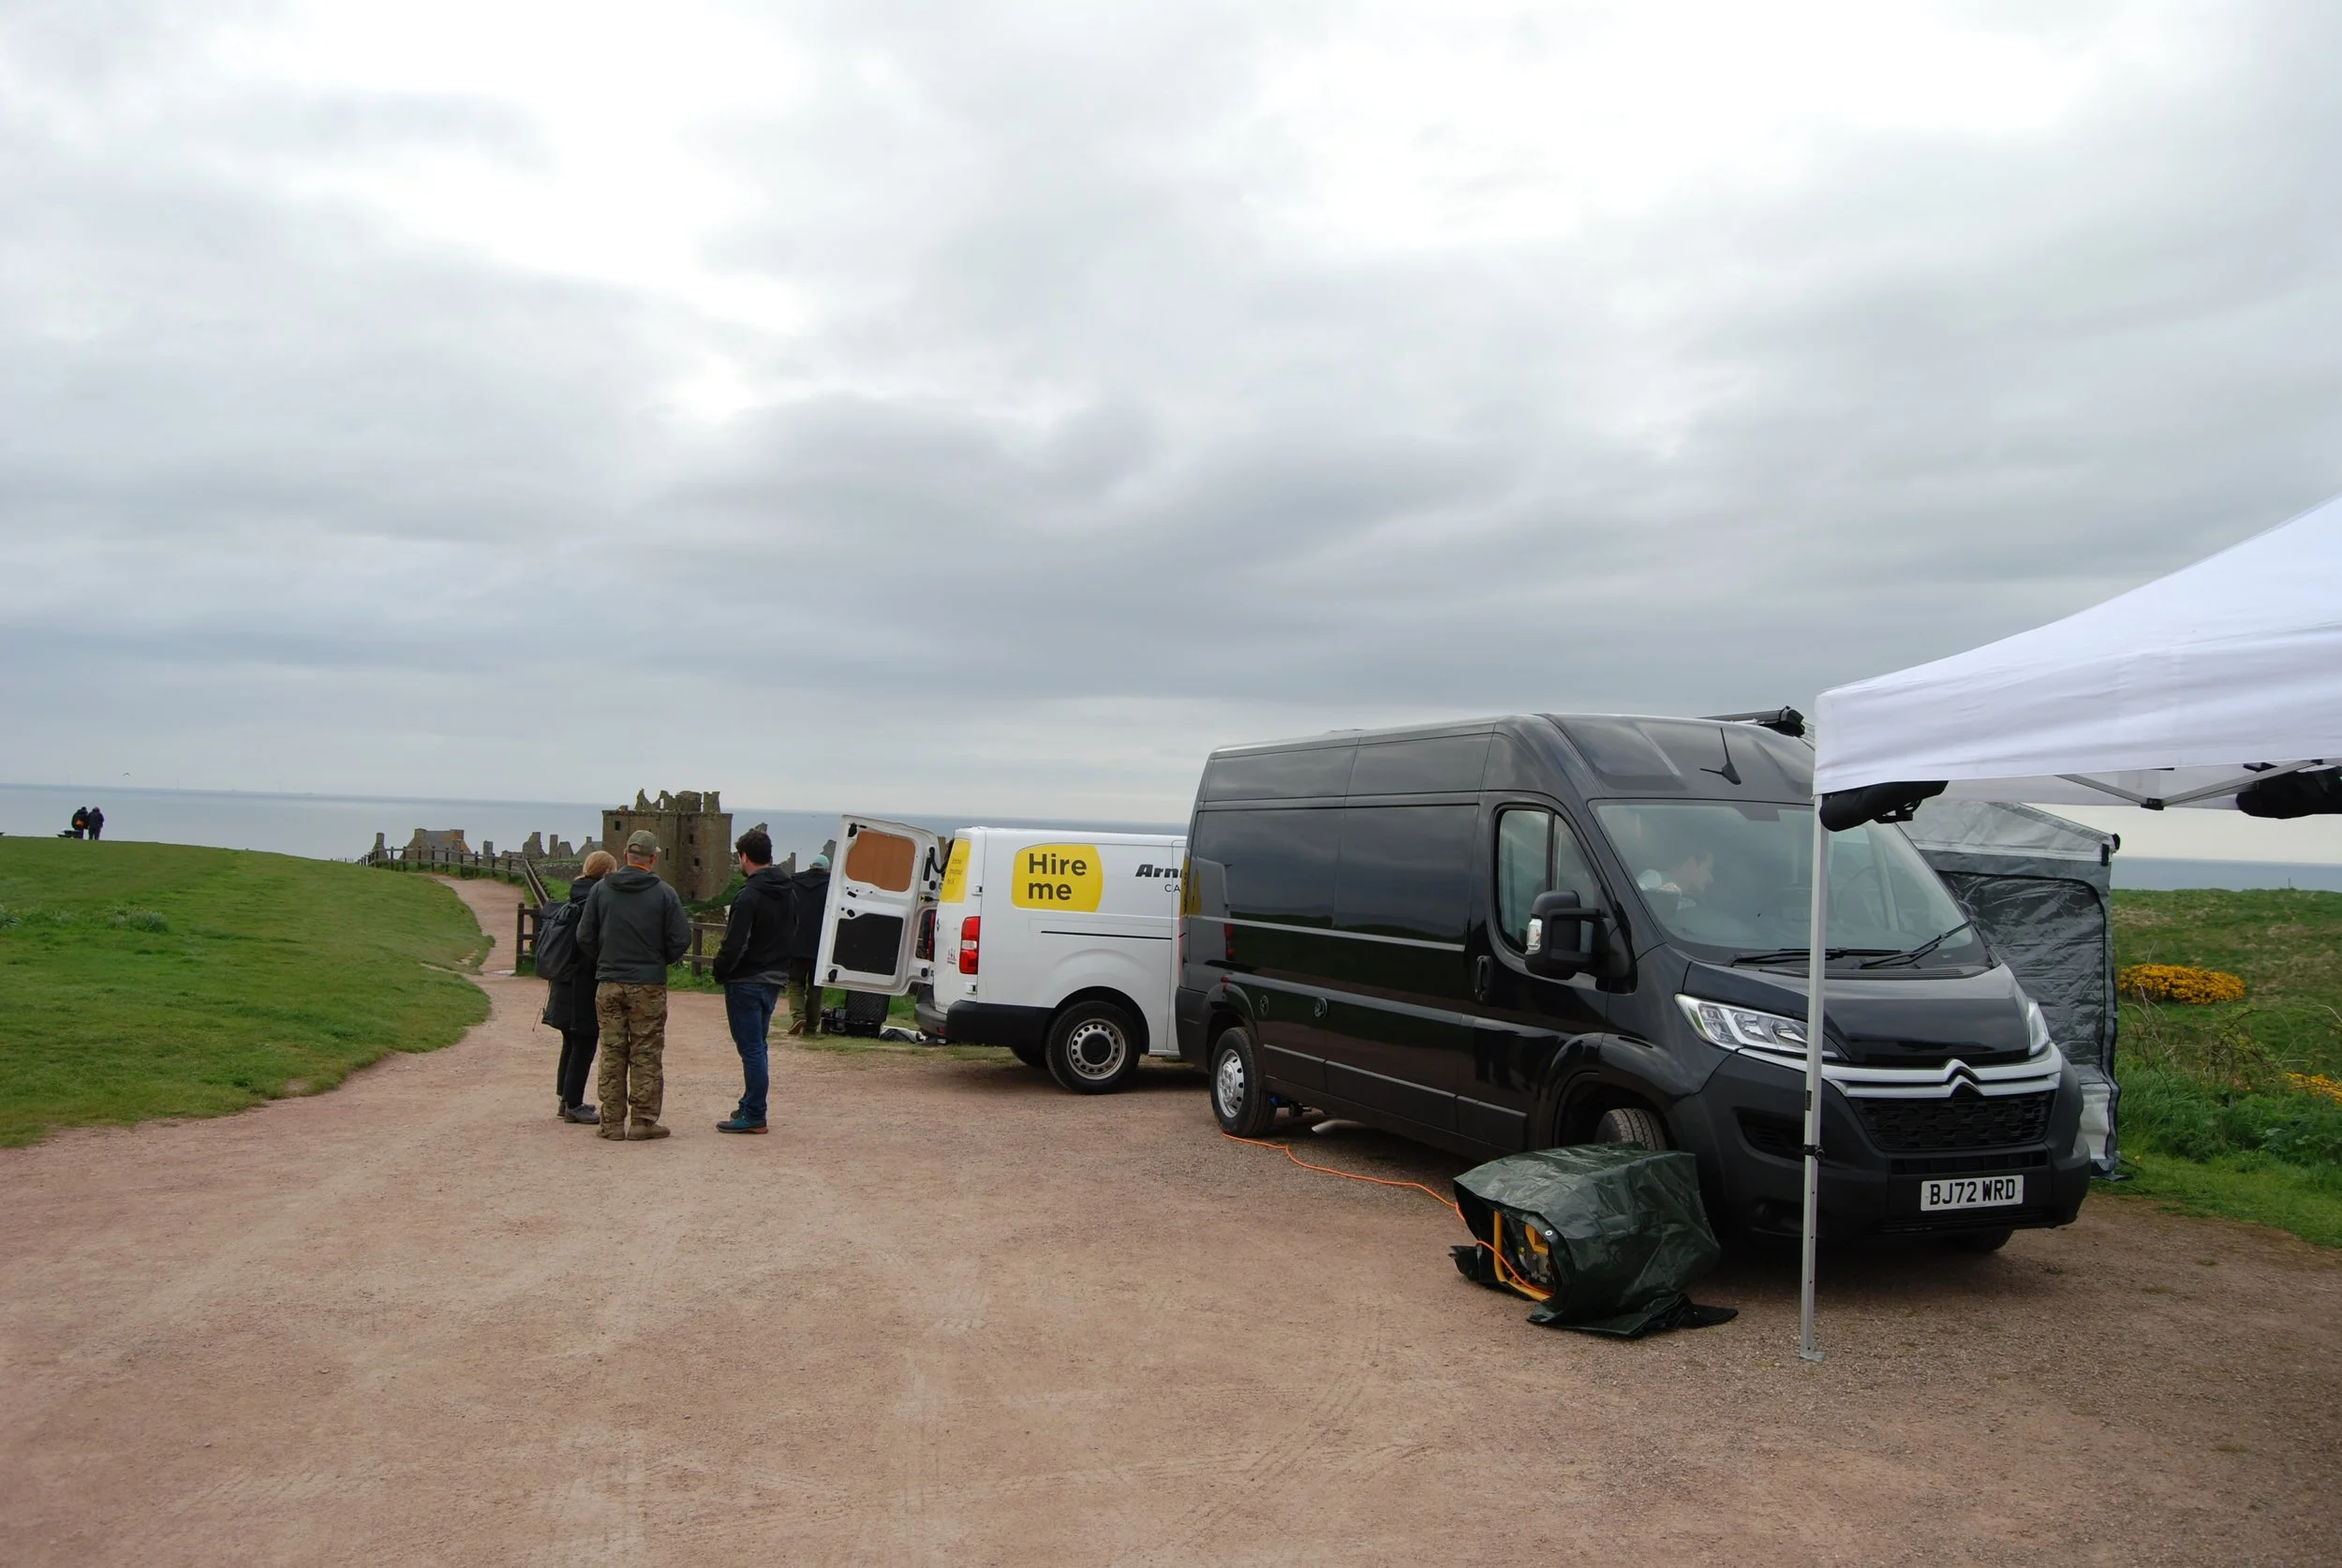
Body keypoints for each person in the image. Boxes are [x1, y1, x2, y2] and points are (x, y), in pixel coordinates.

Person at [578, 830, 690, 1142]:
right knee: (646, 1051)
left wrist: (605, 960)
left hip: (610, 981)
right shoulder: (665, 893)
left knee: (612, 1051)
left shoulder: (600, 891)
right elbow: (681, 938)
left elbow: (584, 936)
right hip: (648, 983)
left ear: (626, 854)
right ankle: (643, 1120)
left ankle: (611, 1122)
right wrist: (658, 960)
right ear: (653, 858)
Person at [710, 829, 793, 1134]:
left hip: (746, 979)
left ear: (744, 856)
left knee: (752, 1049)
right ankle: (750, 1103)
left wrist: (720, 970)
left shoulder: (749, 895)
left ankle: (755, 1113)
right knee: (758, 1045)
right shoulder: (788, 890)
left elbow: (735, 944)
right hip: (773, 977)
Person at [542, 850, 616, 1123]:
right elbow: (589, 942)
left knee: (571, 1041)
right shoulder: (592, 901)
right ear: (606, 873)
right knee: (584, 1041)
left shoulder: (573, 895)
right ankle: (573, 1104)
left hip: (564, 979)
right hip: (582, 981)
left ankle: (565, 1098)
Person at [783, 851, 831, 1037]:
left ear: (811, 865)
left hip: (795, 942)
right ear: (826, 868)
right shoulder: (831, 887)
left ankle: (798, 1016)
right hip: (820, 945)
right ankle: (811, 1027)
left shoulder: (794, 883)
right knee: (816, 986)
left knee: (794, 982)